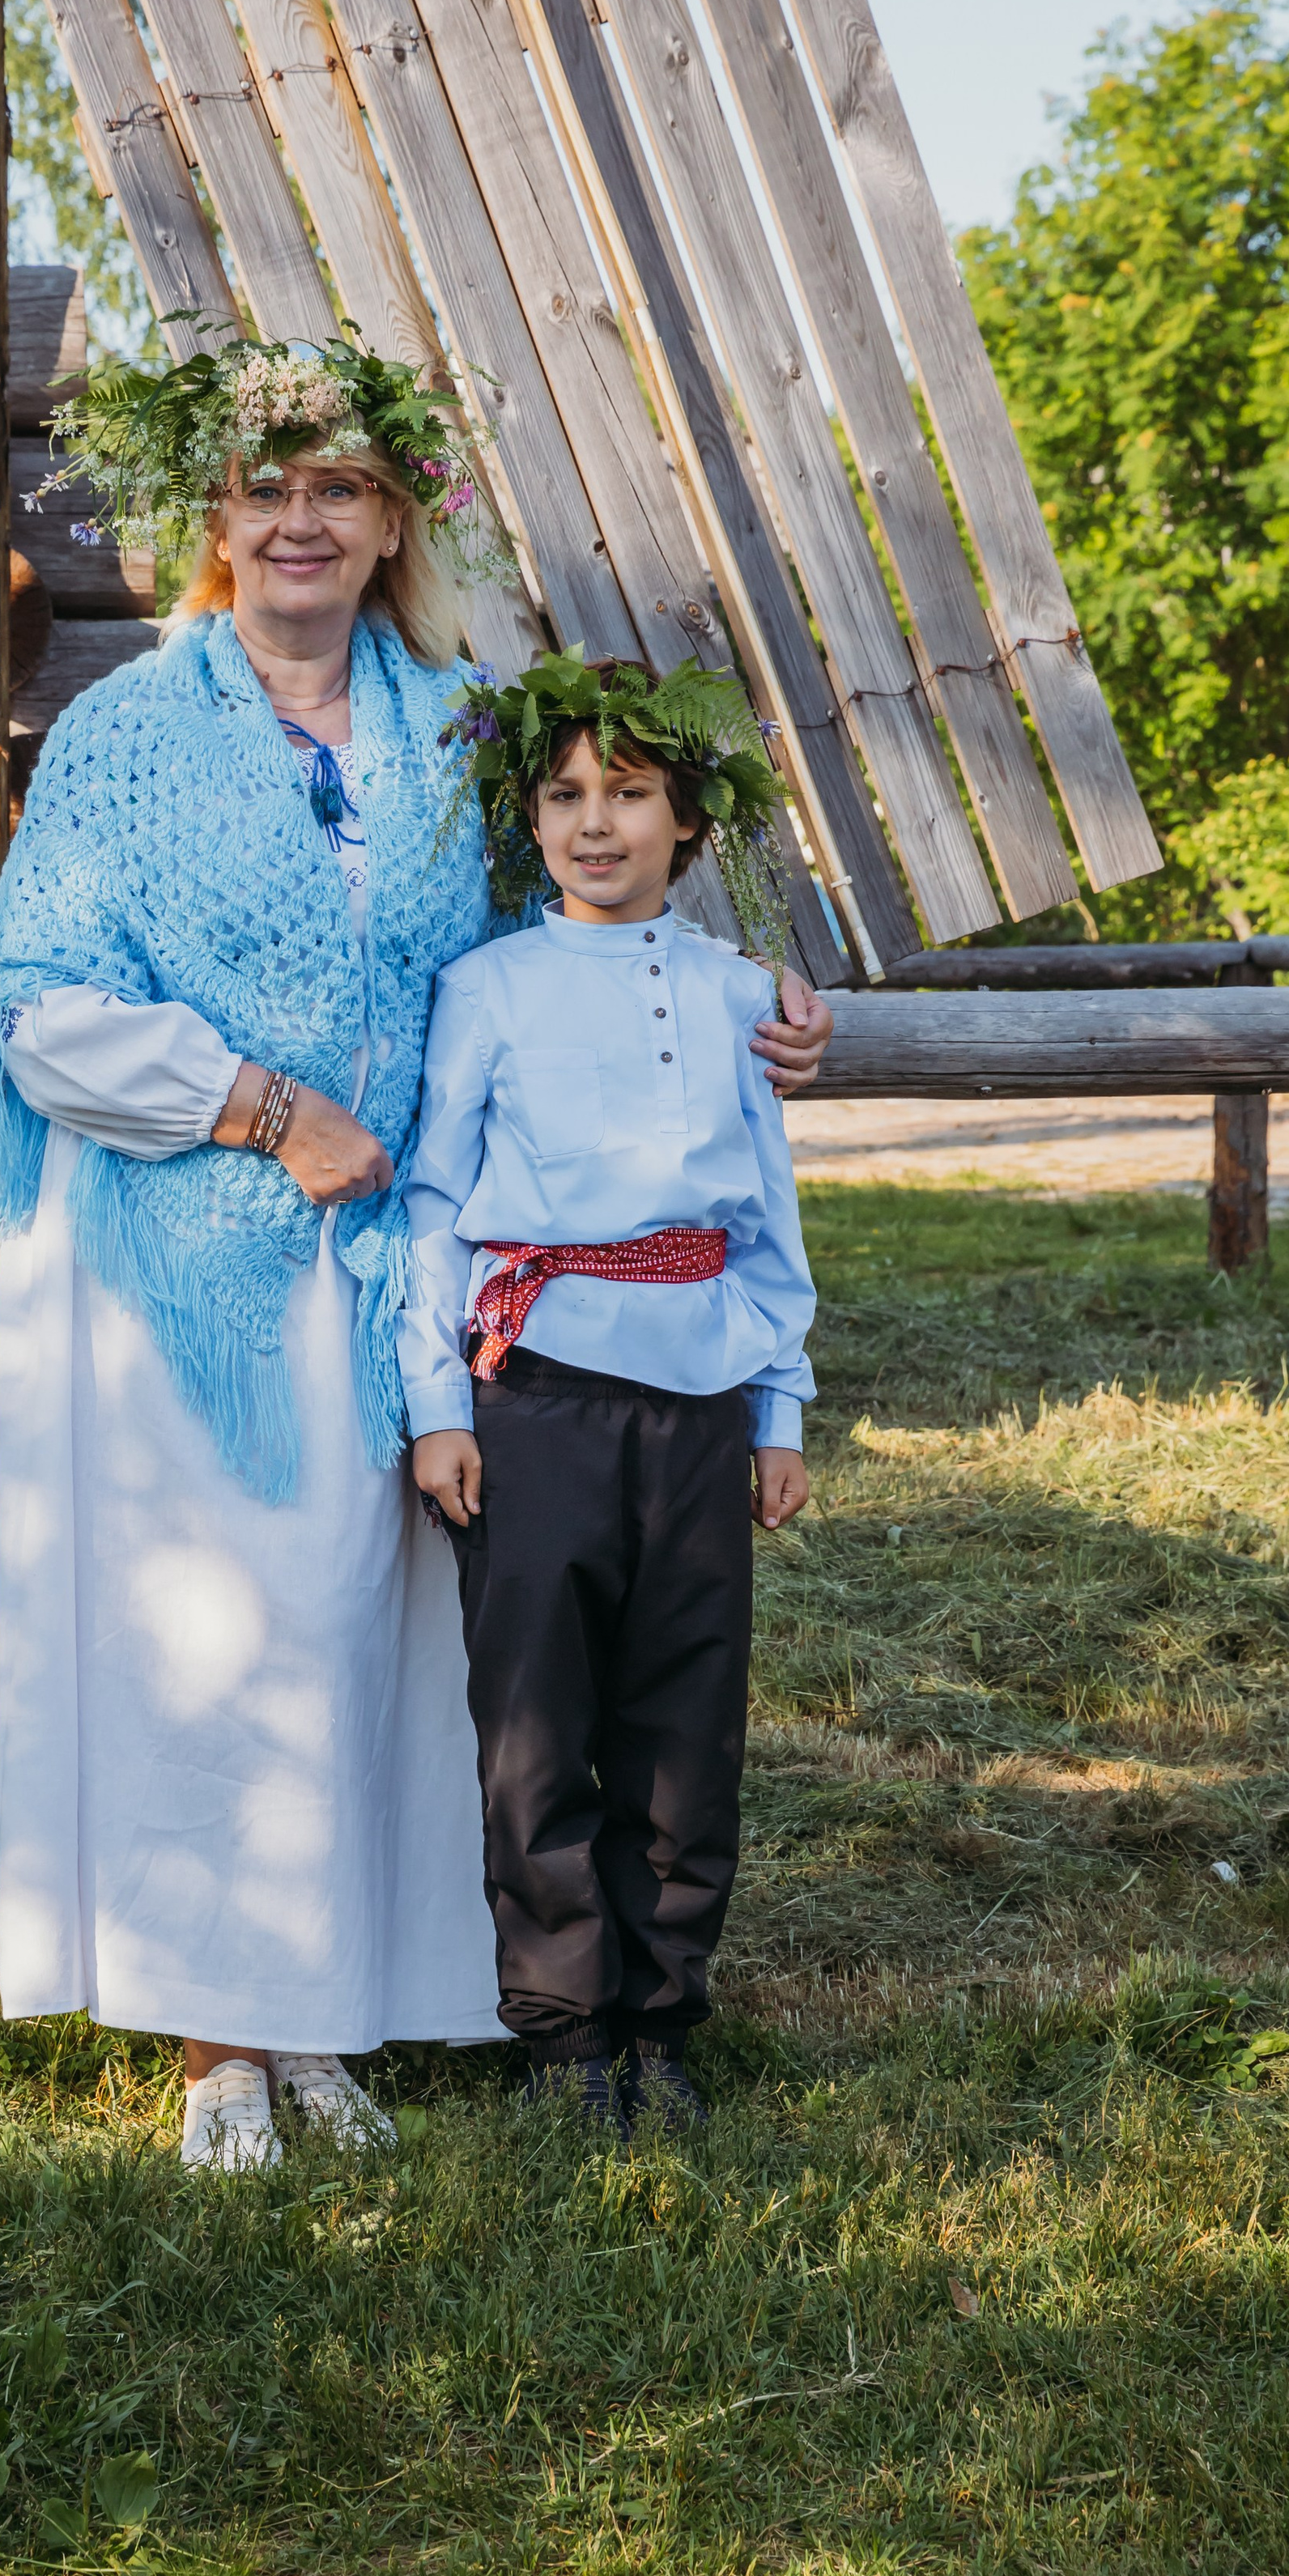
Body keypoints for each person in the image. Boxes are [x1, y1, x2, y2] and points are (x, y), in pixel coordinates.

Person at [0, 334, 834, 2174]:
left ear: (388, 524)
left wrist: (757, 1008)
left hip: (426, 1274)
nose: (299, 520)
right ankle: (223, 2040)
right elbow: (43, 1013)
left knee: (392, 1631)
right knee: (234, 1628)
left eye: (337, 489)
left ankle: (330, 2004)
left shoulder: (456, 727)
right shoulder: (127, 737)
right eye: (266, 489)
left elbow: (580, 930)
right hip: (196, 1251)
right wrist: (269, 1116)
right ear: (212, 521)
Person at [402, 656, 815, 2139]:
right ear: (533, 816)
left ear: (688, 820)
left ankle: (662, 2016)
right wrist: (437, 1401)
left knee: (685, 1717)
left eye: (630, 795)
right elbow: (436, 1204)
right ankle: (568, 2030)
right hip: (540, 1398)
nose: (596, 824)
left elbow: (764, 1213)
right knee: (536, 1717)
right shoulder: (490, 989)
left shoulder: (738, 997)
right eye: (568, 794)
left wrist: (779, 1407)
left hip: (698, 1399)